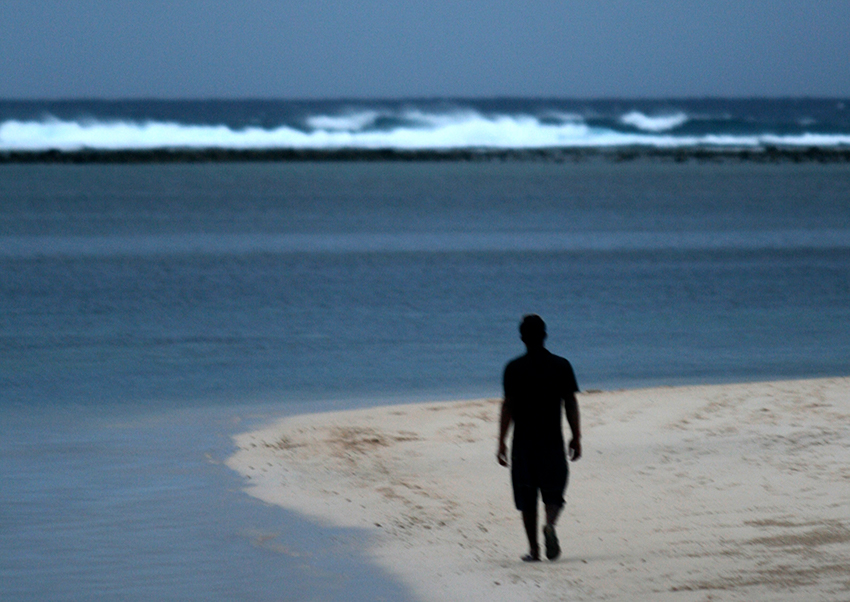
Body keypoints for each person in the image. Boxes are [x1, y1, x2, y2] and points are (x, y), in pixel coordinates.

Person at [497, 314, 581, 562]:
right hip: (552, 441)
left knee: (527, 494)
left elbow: (508, 406)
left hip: (523, 443)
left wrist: (501, 441)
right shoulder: (561, 365)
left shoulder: (513, 368)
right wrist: (576, 436)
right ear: (544, 335)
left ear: (522, 338)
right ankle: (551, 525)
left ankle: (534, 549)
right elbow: (571, 403)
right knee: (554, 490)